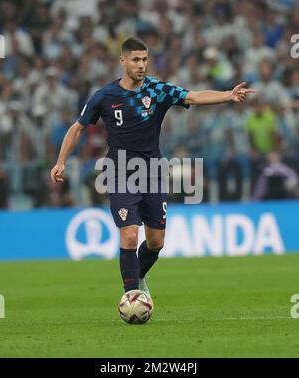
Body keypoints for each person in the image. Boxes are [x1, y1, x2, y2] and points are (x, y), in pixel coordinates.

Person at [50, 37, 254, 298]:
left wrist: (228, 95)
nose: (141, 65)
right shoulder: (105, 96)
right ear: (122, 61)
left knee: (156, 242)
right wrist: (61, 161)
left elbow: (193, 95)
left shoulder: (157, 90)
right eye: (135, 59)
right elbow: (77, 128)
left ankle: (140, 274)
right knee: (129, 236)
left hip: (153, 173)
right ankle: (131, 295)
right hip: (120, 172)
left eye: (145, 59)